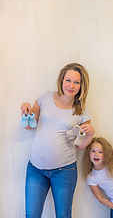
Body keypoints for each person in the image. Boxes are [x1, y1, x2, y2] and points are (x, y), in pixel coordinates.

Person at [21, 63, 95, 218]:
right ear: (62, 80)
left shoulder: (82, 109)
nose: (71, 85)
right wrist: (25, 108)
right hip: (35, 169)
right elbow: (28, 126)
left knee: (63, 215)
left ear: (82, 86)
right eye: (68, 80)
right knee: (31, 215)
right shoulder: (45, 97)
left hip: (64, 171)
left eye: (76, 82)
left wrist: (91, 132)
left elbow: (81, 146)